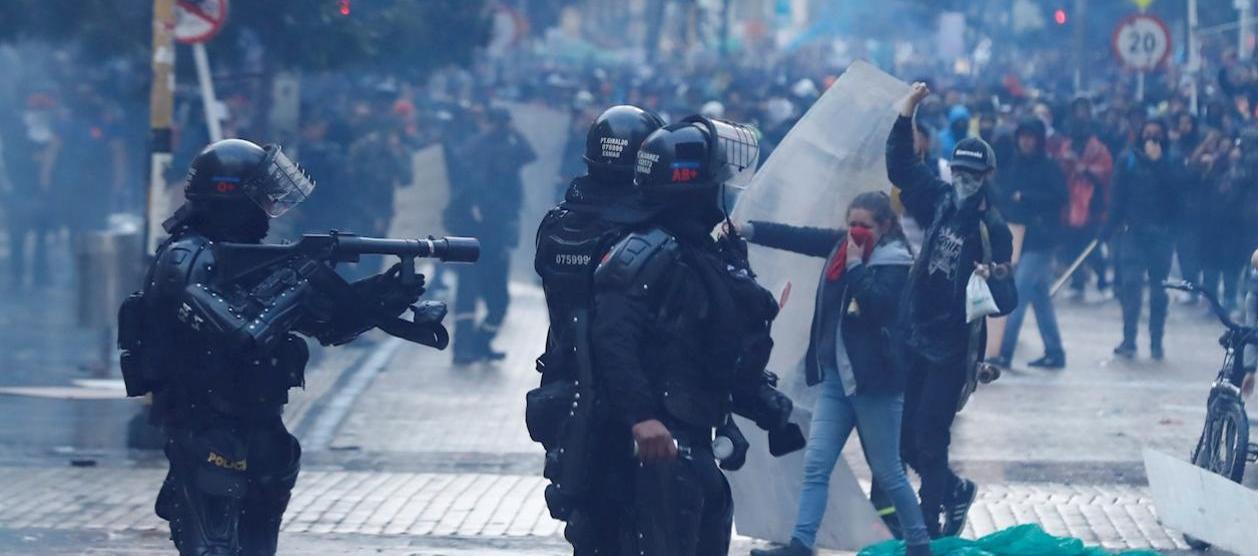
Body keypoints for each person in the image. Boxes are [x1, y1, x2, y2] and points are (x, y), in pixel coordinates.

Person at [122, 139, 432, 556]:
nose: (270, 208)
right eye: (263, 197)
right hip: (206, 424)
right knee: (213, 548)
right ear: (231, 196)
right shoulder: (185, 259)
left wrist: (384, 295)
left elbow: (330, 327)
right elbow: (240, 335)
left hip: (261, 424)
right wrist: (297, 286)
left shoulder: (250, 258)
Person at [587, 115, 803, 555]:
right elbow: (612, 338)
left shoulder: (703, 252)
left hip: (696, 433)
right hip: (661, 440)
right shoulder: (646, 252)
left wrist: (758, 402)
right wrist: (642, 417)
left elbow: (711, 347)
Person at [741, 192, 931, 556]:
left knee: (888, 470)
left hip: (875, 385)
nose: (856, 232)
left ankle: (920, 545)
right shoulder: (840, 248)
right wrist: (748, 229)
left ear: (886, 227)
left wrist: (858, 266)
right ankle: (801, 544)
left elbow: (876, 306)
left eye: (866, 226)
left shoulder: (897, 264)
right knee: (816, 464)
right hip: (836, 380)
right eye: (852, 224)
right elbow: (797, 237)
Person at [525, 104, 664, 547]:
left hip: (568, 386)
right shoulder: (648, 234)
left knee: (588, 520)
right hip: (634, 391)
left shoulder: (558, 224)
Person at [887, 83, 1017, 538]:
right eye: (959, 171)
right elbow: (903, 167)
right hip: (916, 331)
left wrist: (993, 275)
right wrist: (907, 113)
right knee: (903, 436)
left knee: (930, 432)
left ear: (986, 178)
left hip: (954, 347)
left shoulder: (992, 228)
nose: (964, 180)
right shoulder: (940, 199)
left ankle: (929, 526)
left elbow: (1008, 301)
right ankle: (954, 490)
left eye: (972, 175)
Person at [450, 107, 537, 365]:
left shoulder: (504, 150)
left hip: (495, 239)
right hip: (473, 237)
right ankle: (463, 348)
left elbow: (529, 155)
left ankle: (480, 344)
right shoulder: (478, 149)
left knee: (498, 301)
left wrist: (512, 131)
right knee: (468, 296)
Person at [989, 119, 1068, 370]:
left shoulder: (1049, 166)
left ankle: (1003, 352)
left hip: (1041, 241)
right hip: (1017, 237)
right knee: (1039, 297)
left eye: (1031, 136)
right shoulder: (1012, 164)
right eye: (1022, 136)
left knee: (1018, 295)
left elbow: (1060, 197)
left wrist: (1027, 197)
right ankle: (1055, 351)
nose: (1026, 141)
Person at [1105, 120, 1183, 360]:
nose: (1151, 139)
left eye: (1156, 135)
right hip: (1133, 234)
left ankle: (1156, 340)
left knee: (1159, 291)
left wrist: (1158, 164)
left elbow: (1177, 194)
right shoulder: (1127, 160)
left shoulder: (1171, 161)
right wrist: (1109, 226)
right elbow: (1117, 195)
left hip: (1161, 236)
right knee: (1130, 286)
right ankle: (1129, 339)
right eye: (1147, 134)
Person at [1058, 97, 1114, 299]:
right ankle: (1077, 282)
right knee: (1072, 244)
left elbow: (1106, 170)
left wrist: (1084, 169)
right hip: (1070, 202)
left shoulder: (1098, 147)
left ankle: (1102, 282)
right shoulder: (1067, 145)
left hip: (1093, 202)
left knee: (1093, 245)